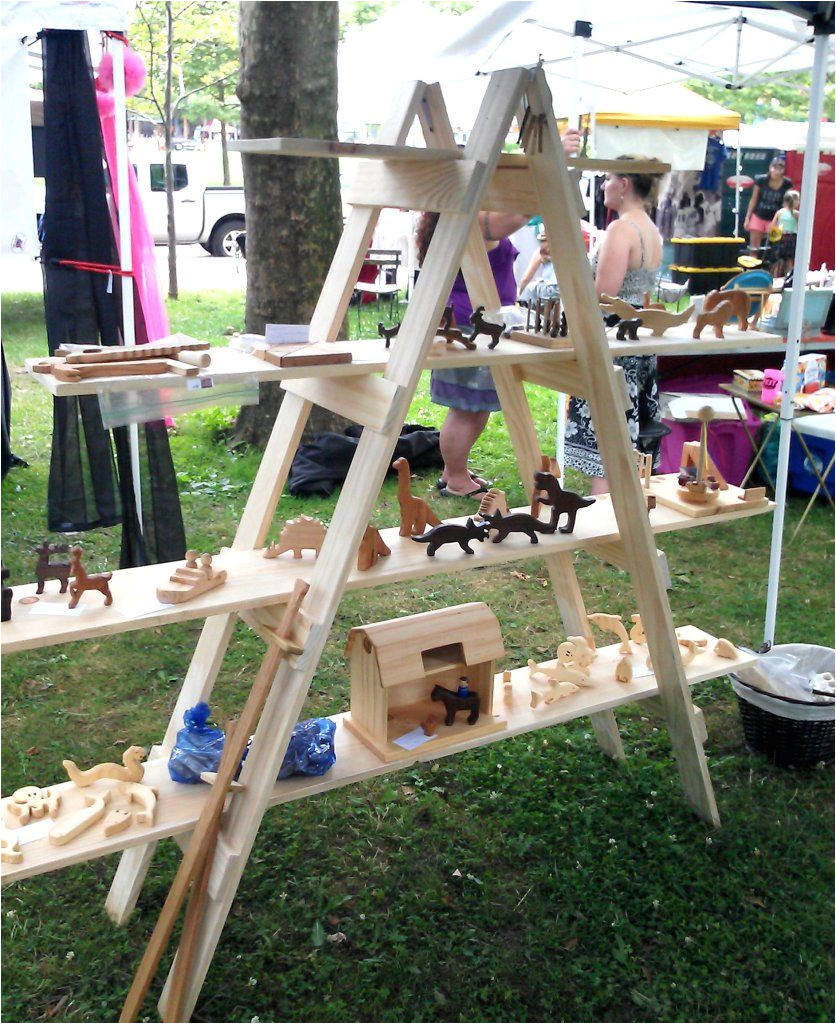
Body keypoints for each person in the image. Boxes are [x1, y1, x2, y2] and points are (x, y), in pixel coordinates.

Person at [418, 129, 582, 499]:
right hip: (470, 327)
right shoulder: (472, 220)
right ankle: (455, 478)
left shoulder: (461, 215)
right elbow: (521, 211)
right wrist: (549, 160)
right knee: (468, 409)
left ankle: (453, 472)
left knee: (473, 407)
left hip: (476, 325)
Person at [564, 159, 663, 495]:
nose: (603, 185)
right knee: (629, 431)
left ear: (624, 184)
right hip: (638, 334)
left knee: (608, 429)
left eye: (607, 179)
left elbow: (603, 296)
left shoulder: (622, 230)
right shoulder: (650, 229)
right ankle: (627, 506)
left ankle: (605, 509)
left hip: (613, 338)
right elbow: (644, 295)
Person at [744, 156, 793, 257]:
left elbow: (786, 204)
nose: (776, 171)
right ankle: (752, 271)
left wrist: (782, 221)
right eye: (774, 167)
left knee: (774, 251)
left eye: (780, 168)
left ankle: (771, 271)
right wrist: (748, 218)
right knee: (754, 249)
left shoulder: (787, 183)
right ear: (770, 168)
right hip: (759, 216)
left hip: (775, 219)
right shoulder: (761, 180)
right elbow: (754, 199)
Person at [769, 189, 800, 278]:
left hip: (780, 237)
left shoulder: (780, 212)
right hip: (792, 237)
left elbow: (773, 225)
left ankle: (774, 278)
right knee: (789, 261)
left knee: (779, 260)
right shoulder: (796, 214)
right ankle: (787, 278)